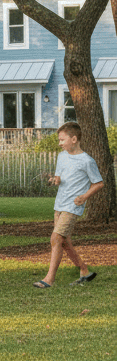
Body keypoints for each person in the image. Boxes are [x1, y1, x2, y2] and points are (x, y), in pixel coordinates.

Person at [34, 121, 104, 288]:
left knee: (56, 238)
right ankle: (84, 271)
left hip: (73, 207)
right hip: (59, 205)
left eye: (62, 139)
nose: (60, 143)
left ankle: (49, 279)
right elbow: (59, 178)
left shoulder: (87, 161)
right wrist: (54, 180)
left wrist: (85, 197)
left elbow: (99, 183)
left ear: (74, 139)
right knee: (64, 242)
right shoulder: (62, 156)